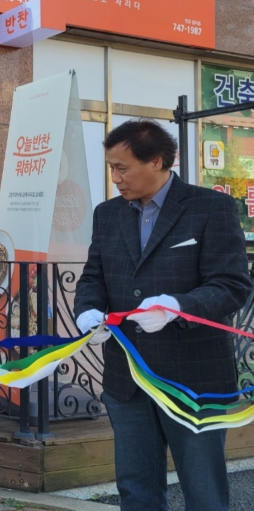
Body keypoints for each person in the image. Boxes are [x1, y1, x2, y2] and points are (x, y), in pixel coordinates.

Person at [74, 119, 251, 511]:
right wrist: (87, 311)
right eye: (111, 168)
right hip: (127, 378)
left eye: (122, 168)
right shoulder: (108, 214)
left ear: (156, 161)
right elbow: (93, 277)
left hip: (194, 379)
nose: (115, 178)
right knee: (136, 491)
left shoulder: (211, 207)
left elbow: (232, 284)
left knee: (204, 493)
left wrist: (177, 306)